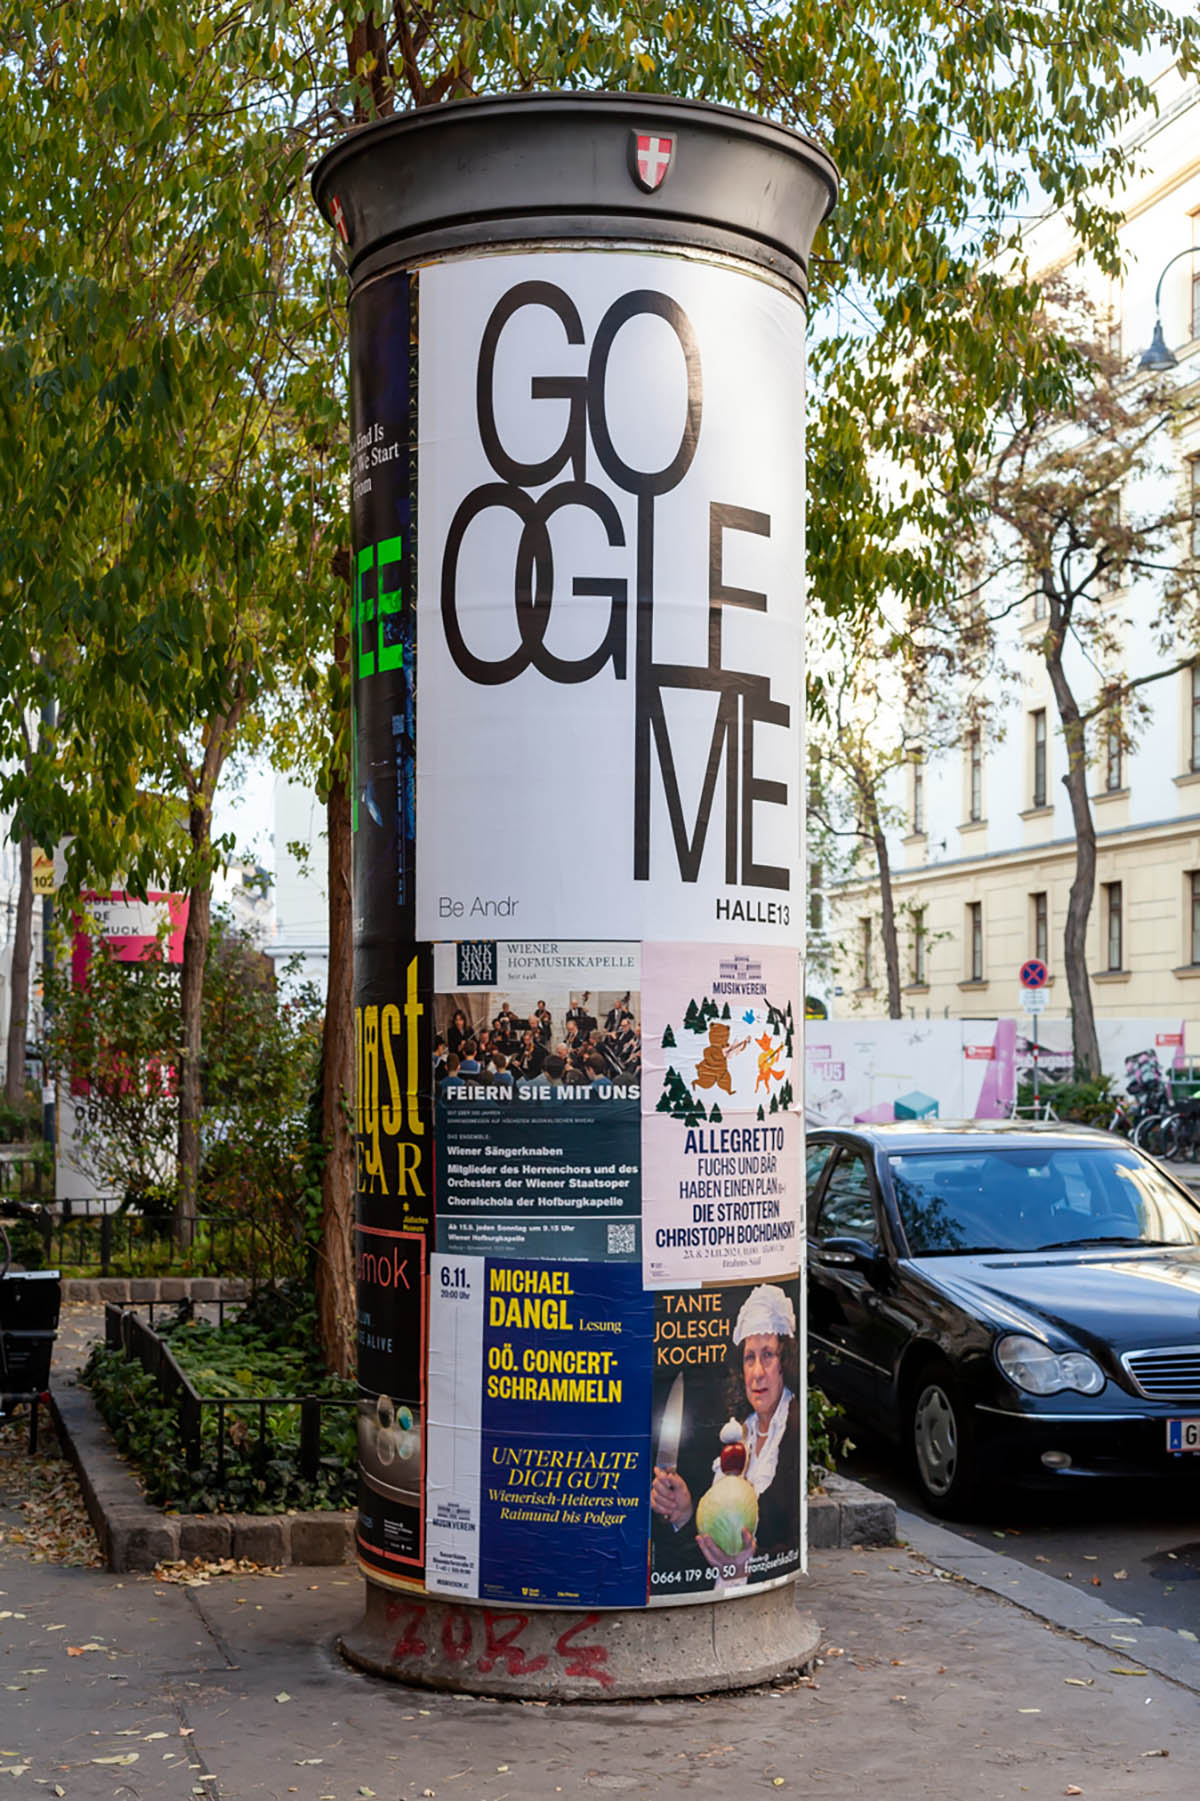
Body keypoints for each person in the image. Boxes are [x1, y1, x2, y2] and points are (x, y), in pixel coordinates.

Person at [650, 1284, 799, 1587]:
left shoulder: (792, 1432)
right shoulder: (738, 1433)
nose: (757, 1372)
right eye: (749, 1358)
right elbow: (711, 1551)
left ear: (786, 1363)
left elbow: (790, 1544)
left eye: (768, 1355)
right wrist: (684, 1512)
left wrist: (746, 1569)